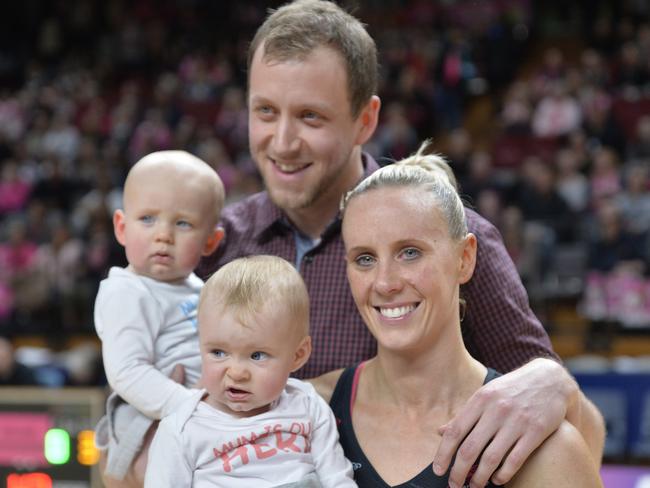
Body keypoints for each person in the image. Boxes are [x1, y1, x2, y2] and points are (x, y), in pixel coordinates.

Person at [197, 1, 605, 486]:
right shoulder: (214, 246)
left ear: (366, 120)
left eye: (310, 116)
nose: (283, 142)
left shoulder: (453, 232)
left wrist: (553, 382)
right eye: (265, 111)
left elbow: (577, 434)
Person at [310, 143, 603, 487]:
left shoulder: (543, 447)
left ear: (465, 258)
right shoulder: (306, 412)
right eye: (364, 258)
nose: (385, 282)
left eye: (409, 252)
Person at [145, 255, 356, 487]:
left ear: (298, 355)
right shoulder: (182, 428)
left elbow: (337, 479)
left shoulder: (306, 405)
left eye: (257, 355)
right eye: (218, 352)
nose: (236, 373)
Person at [94, 150, 225, 486]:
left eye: (182, 223)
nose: (163, 234)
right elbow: (127, 371)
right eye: (148, 219)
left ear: (211, 240)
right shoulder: (127, 291)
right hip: (147, 421)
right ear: (122, 228)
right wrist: (191, 407)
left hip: (200, 415)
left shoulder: (202, 288)